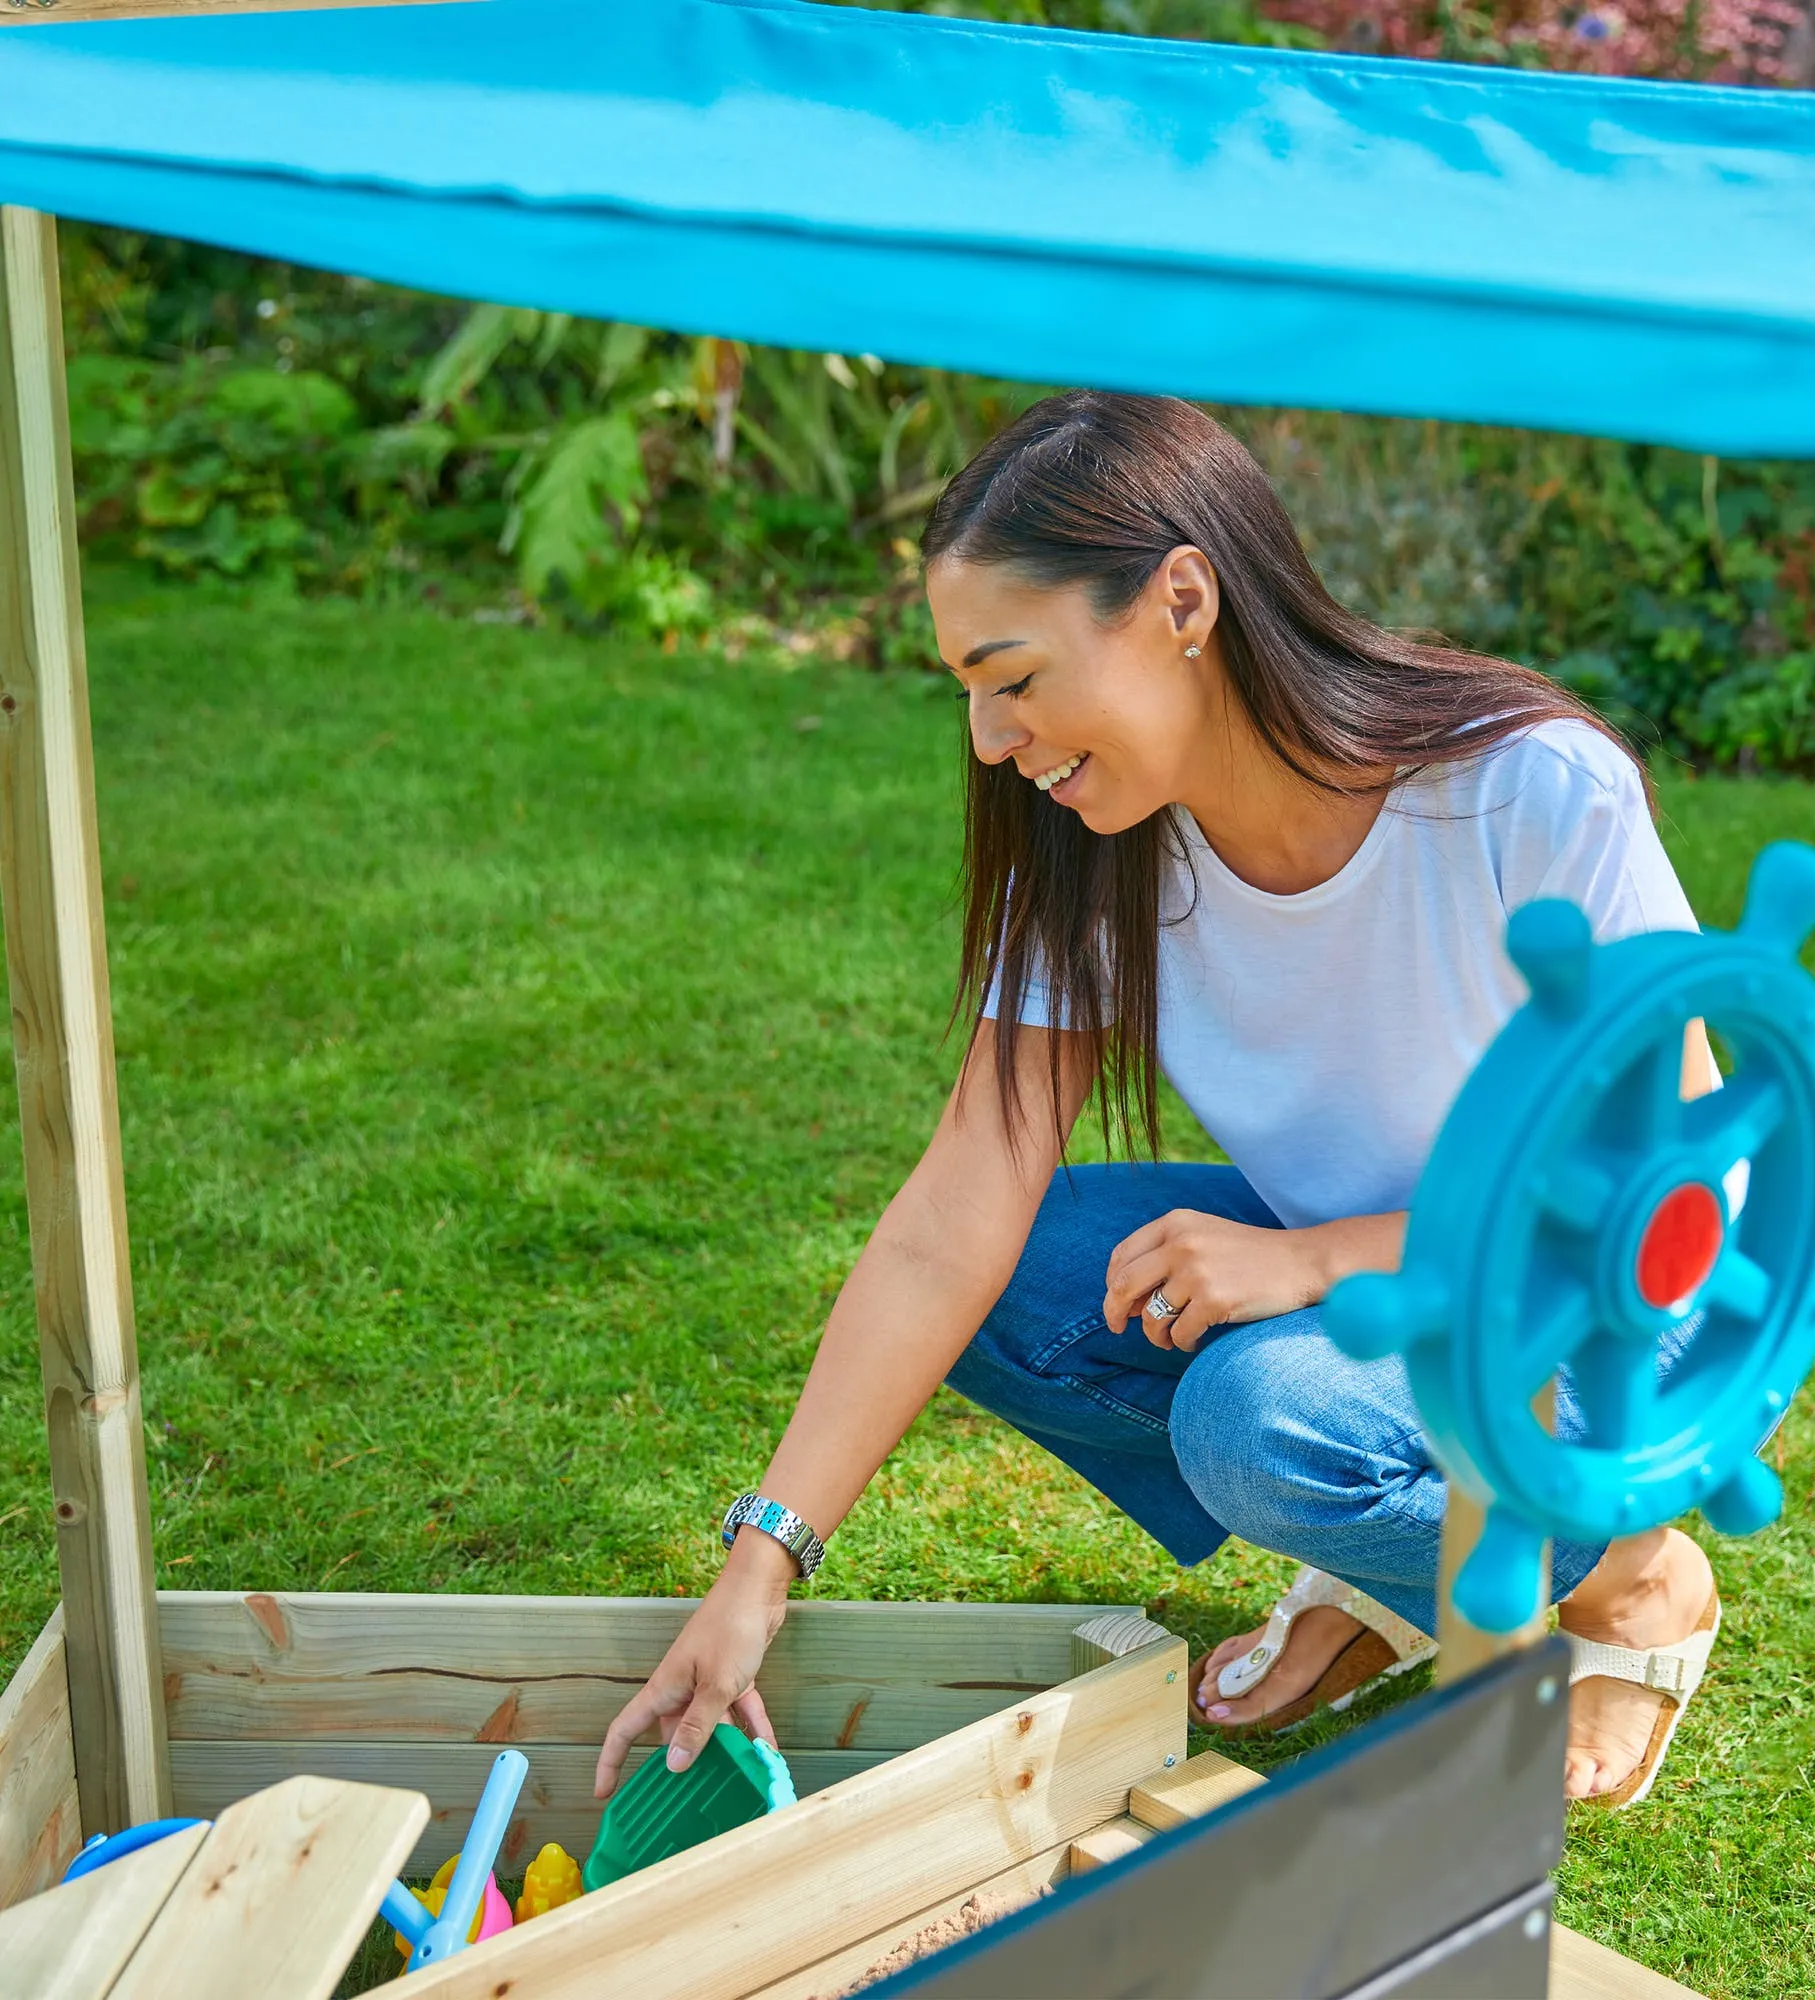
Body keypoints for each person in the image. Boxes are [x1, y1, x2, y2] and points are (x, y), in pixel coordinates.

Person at [594, 391, 1721, 1815]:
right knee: (1011, 1281)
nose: (993, 740)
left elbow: (1662, 1177)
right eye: (967, 692)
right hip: (1383, 1277)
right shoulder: (1098, 855)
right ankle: (1397, 1561)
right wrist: (760, 1568)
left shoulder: (1520, 790)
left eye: (1012, 676)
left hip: (1631, 1302)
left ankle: (1633, 1570)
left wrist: (1313, 1260)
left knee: (1260, 1422)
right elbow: (955, 1215)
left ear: (1180, 598)